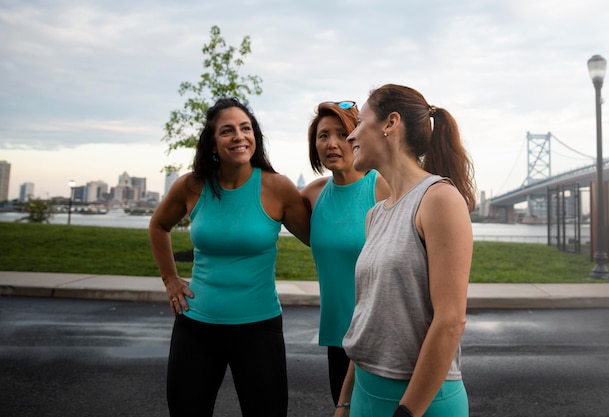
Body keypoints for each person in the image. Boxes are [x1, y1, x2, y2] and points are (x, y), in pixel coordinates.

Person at [149, 97, 310, 417]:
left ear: (255, 137)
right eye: (227, 131)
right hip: (195, 326)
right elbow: (158, 226)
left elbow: (318, 240)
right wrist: (170, 279)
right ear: (211, 143)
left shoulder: (277, 187)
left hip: (259, 328)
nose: (239, 136)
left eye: (245, 128)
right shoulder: (191, 186)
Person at [334, 84, 476, 417]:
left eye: (359, 123)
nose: (350, 136)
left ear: (390, 123)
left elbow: (451, 321)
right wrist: (344, 401)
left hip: (422, 404)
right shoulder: (375, 214)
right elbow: (368, 318)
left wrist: (407, 412)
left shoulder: (439, 199)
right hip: (365, 397)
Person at [300, 101, 390, 405]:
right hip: (337, 338)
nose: (332, 143)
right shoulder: (312, 195)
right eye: (323, 135)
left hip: (381, 337)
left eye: (342, 133)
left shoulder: (381, 188)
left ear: (359, 136)